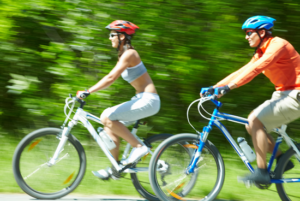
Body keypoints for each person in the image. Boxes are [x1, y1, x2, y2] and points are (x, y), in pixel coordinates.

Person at [200, 16, 299, 185]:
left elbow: (257, 68)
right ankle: (283, 160)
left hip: (296, 94)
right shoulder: (260, 52)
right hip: (283, 94)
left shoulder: (277, 45)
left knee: (255, 120)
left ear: (261, 32)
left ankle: (262, 173)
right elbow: (244, 70)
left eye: (248, 33)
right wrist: (215, 87)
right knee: (250, 124)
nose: (246, 37)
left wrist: (229, 87)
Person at [77, 20, 160, 180]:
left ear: (122, 36)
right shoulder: (124, 55)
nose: (109, 38)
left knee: (107, 116)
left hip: (149, 100)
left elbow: (111, 78)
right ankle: (116, 167)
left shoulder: (130, 54)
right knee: (108, 125)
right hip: (140, 98)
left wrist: (88, 91)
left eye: (112, 35)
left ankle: (139, 147)